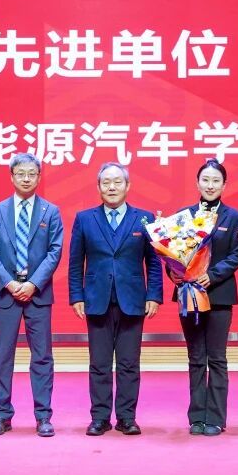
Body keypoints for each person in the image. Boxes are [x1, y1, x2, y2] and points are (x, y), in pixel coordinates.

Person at [68, 161, 163, 436]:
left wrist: (154, 295)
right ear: (99, 187)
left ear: (127, 185)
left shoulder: (144, 219)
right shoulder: (84, 218)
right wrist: (76, 296)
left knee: (129, 364)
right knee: (99, 363)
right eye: (106, 182)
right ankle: (99, 417)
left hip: (133, 300)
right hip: (96, 299)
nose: (112, 187)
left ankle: (126, 417)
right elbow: (75, 262)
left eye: (117, 182)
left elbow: (153, 262)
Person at [0, 153, 63, 438]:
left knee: (42, 356)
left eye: (31, 174)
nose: (26, 178)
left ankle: (43, 416)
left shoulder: (50, 211)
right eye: (21, 173)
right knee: (3, 356)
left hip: (39, 294)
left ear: (39, 177)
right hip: (7, 294)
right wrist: (9, 282)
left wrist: (34, 284)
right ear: (12, 177)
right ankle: (2, 415)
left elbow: (54, 251)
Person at [167, 159, 238, 436]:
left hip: (219, 294)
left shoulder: (235, 218)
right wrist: (174, 273)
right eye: (205, 180)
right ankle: (197, 417)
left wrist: (212, 275)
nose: (210, 185)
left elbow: (237, 254)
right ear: (197, 183)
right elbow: (171, 254)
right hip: (189, 293)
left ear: (224, 185)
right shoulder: (182, 216)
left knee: (217, 358)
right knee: (196, 356)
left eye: (216, 181)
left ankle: (216, 418)